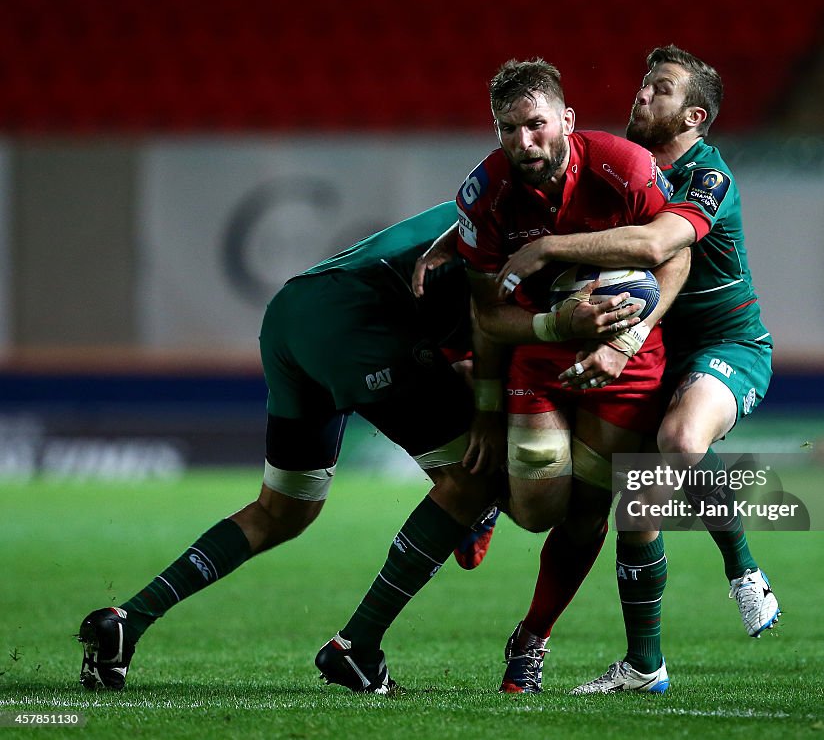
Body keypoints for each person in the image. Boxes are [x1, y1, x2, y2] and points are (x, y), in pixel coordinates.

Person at [77, 201, 505, 695]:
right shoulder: (531, 220)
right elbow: (488, 328)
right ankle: (357, 647)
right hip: (357, 322)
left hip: (294, 314)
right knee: (473, 479)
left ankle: (129, 620)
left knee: (283, 510)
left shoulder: (486, 198)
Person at [494, 46, 781, 694]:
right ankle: (644, 665)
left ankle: (743, 570)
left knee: (681, 440)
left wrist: (547, 249)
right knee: (632, 505)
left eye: (661, 89)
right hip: (652, 352)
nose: (642, 95)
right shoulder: (628, 169)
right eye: (643, 84)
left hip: (727, 346)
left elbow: (657, 245)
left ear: (695, 116)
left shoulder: (710, 178)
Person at [452, 58, 693, 694]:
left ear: (567, 119)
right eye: (508, 131)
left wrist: (632, 336)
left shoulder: (625, 167)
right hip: (541, 356)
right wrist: (549, 335)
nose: (523, 143)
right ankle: (497, 502)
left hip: (627, 364)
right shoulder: (486, 194)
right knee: (537, 512)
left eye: (535, 125)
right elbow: (487, 314)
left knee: (588, 512)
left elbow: (675, 254)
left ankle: (531, 639)